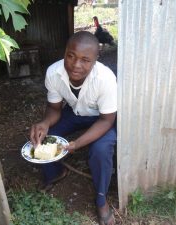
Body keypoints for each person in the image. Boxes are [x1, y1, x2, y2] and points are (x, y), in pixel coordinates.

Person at [30, 31, 117, 225]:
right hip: (75, 113)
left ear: (96, 59)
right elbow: (54, 109)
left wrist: (77, 143)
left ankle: (101, 199)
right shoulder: (54, 73)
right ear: (65, 52)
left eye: (85, 60)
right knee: (45, 137)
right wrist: (44, 123)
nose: (76, 65)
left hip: (100, 118)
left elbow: (106, 121)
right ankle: (56, 173)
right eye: (71, 56)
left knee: (101, 150)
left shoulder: (106, 79)